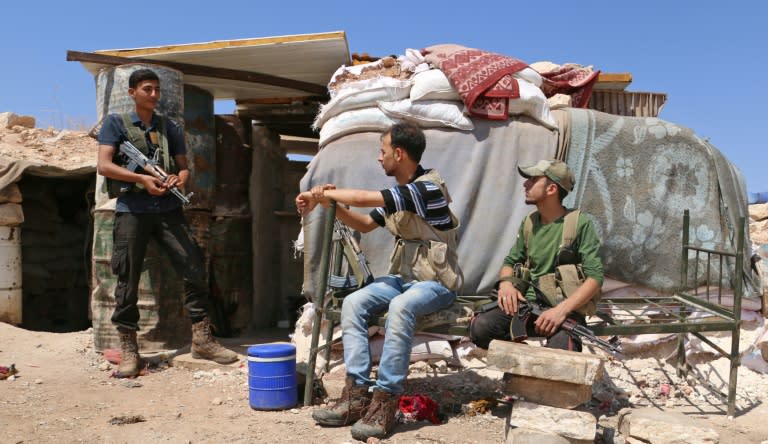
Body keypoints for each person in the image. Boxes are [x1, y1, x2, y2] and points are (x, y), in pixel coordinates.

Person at [295, 122, 462, 441]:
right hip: (405, 278)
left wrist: (323, 193)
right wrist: (332, 204)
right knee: (355, 302)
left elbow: (362, 196)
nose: (378, 158)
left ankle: (386, 401)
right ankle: (357, 395)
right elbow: (363, 222)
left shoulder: (425, 189)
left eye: (382, 151)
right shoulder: (399, 196)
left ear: (399, 154)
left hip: (437, 282)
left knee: (401, 308)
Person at [97, 68, 237, 378]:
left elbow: (185, 169)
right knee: (127, 277)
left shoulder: (169, 127)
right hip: (132, 208)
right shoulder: (116, 124)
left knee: (194, 265)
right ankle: (129, 349)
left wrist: (178, 178)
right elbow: (104, 165)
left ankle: (202, 338)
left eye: (158, 89)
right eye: (148, 89)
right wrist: (141, 179)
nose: (155, 95)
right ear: (132, 92)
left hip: (168, 208)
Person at [469, 159, 603, 352]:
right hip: (528, 306)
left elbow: (595, 278)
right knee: (480, 328)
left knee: (563, 350)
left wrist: (560, 311)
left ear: (551, 189)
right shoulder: (530, 223)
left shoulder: (579, 224)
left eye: (533, 180)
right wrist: (506, 285)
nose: (525, 184)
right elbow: (510, 261)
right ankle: (524, 362)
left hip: (564, 310)